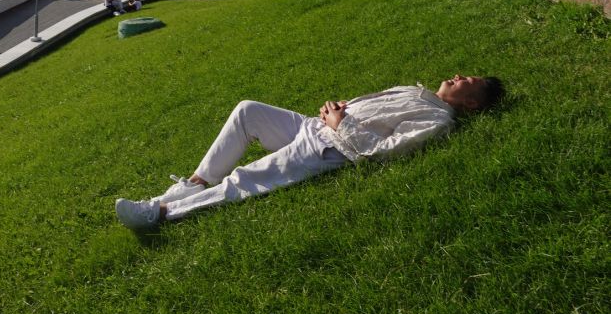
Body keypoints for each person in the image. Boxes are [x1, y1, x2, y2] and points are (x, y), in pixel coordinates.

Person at [115, 73, 505, 230]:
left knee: (245, 180)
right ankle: (194, 185)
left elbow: (382, 153)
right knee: (247, 110)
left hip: (328, 148)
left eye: (464, 81)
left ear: (470, 103)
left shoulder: (437, 121)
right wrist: (337, 110)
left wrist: (341, 124)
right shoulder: (417, 91)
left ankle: (160, 213)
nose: (456, 77)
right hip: (316, 126)